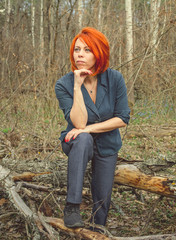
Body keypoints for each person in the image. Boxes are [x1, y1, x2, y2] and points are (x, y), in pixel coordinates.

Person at [55, 27, 130, 229]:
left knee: (102, 199)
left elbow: (123, 118)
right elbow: (79, 125)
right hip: (76, 142)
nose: (80, 54)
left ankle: (98, 229)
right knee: (82, 139)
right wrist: (77, 87)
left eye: (87, 50)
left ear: (99, 53)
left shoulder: (114, 79)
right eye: (77, 49)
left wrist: (89, 129)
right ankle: (72, 207)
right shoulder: (64, 84)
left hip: (107, 143)